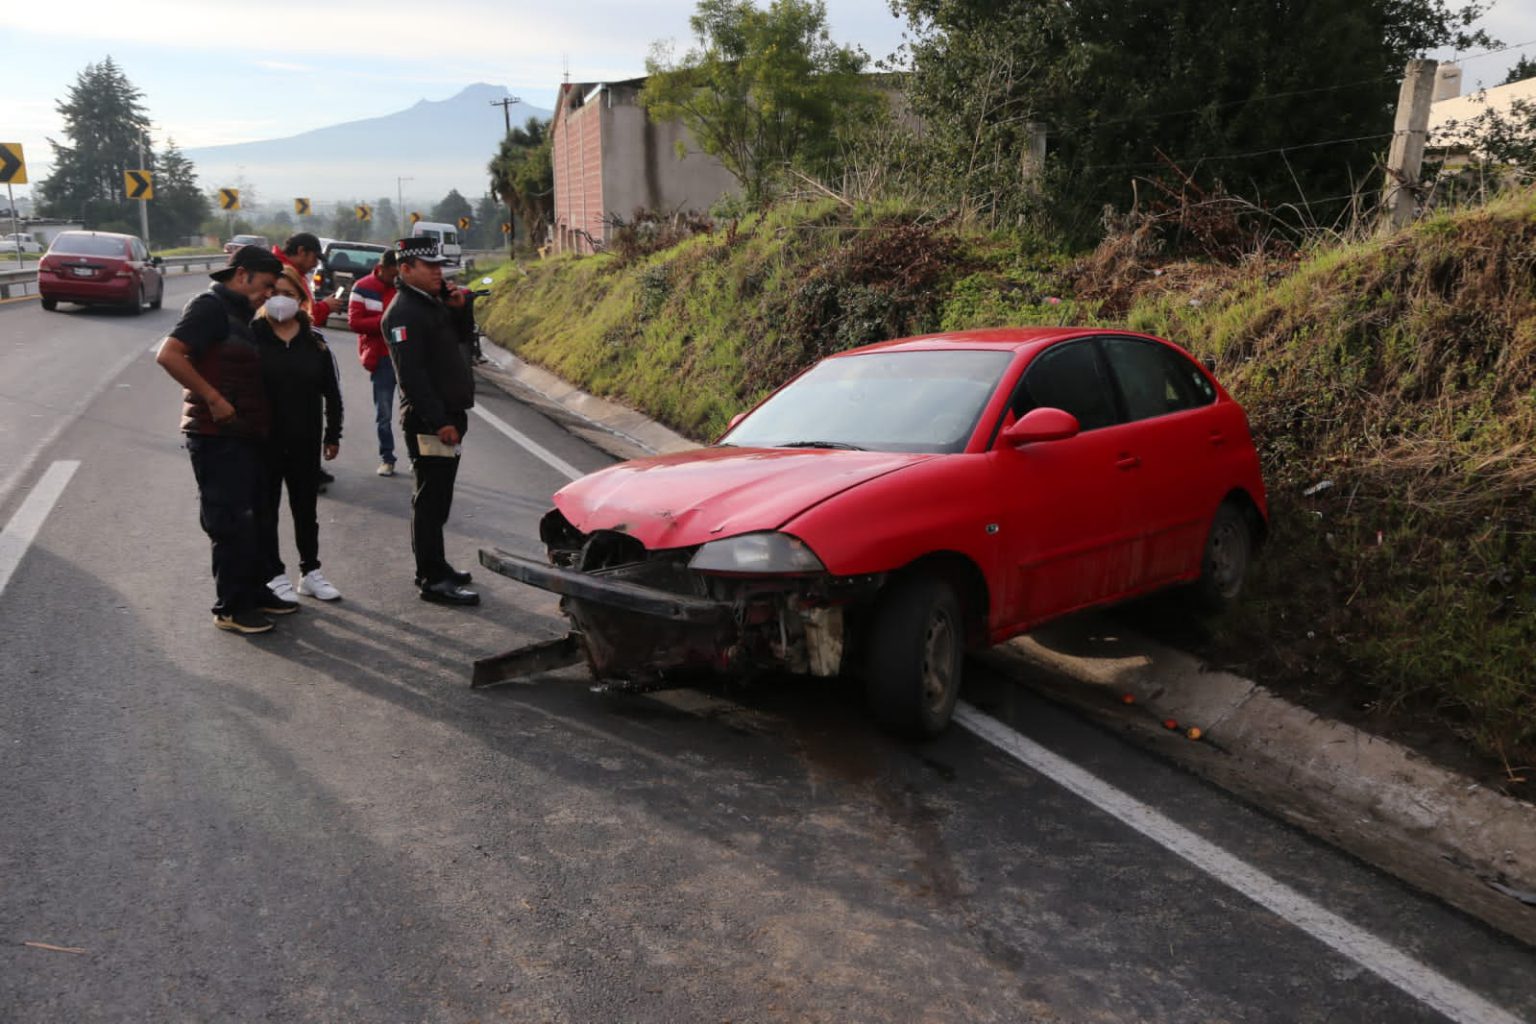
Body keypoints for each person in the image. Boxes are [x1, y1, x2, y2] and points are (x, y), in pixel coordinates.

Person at [154, 245, 298, 634]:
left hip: (243, 434)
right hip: (216, 435)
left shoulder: (242, 313)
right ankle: (231, 608)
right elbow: (169, 355)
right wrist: (214, 399)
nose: (270, 294)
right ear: (242, 275)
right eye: (267, 286)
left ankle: (253, 591)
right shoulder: (209, 308)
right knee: (231, 522)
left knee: (254, 518)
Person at [382, 236, 479, 606]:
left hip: (449, 414)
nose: (439, 271)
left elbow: (460, 341)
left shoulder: (431, 303)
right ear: (406, 270)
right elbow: (412, 377)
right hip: (429, 421)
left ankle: (438, 565)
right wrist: (440, 421)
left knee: (440, 498)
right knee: (429, 500)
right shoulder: (403, 312)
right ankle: (432, 578)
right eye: (430, 266)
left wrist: (459, 308)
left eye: (441, 265)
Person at [254, 266, 345, 604]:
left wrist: (333, 434)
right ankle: (273, 574)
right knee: (266, 508)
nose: (281, 300)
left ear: (301, 299)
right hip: (263, 441)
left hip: (305, 440)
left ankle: (310, 572)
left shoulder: (315, 342)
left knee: (305, 509)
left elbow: (332, 392)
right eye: (275, 292)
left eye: (289, 294)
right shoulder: (253, 336)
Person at [347, 249, 401, 476]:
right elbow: (355, 322)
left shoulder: (402, 287)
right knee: (384, 413)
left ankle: (418, 456)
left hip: (407, 356)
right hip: (381, 357)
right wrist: (386, 321)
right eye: (393, 274)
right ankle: (387, 458)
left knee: (416, 410)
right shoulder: (362, 288)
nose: (395, 279)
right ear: (383, 268)